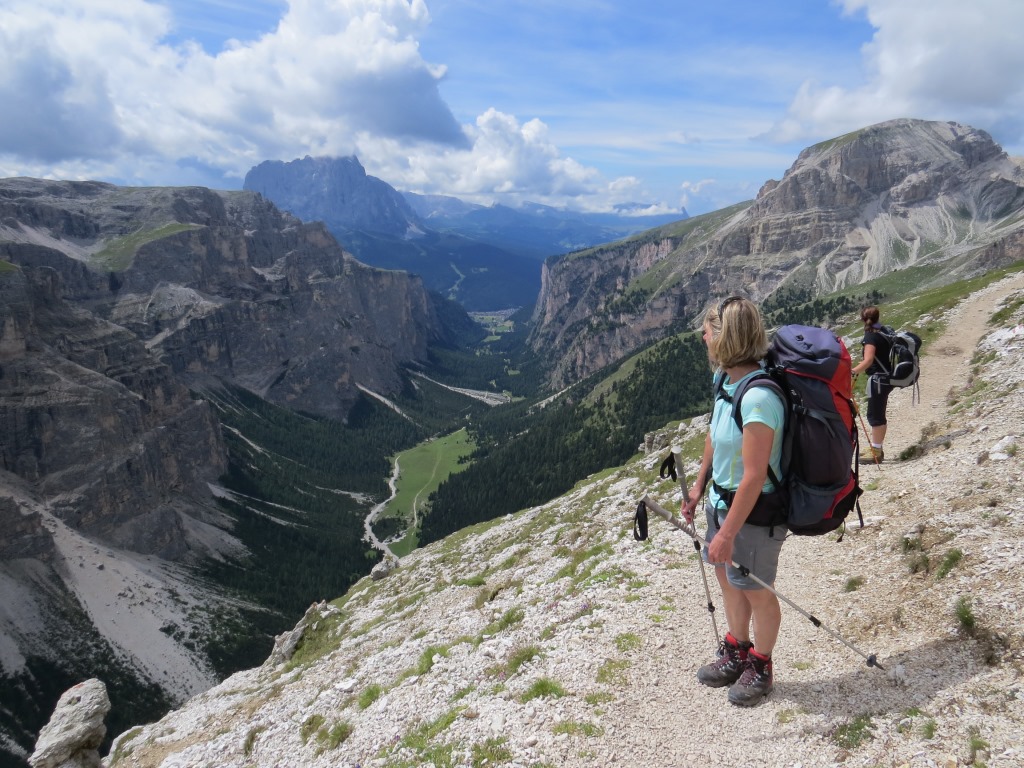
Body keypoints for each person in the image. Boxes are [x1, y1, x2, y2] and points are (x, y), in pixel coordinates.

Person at [682, 296, 787, 707]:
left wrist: (726, 533)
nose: (703, 338)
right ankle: (737, 650)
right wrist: (698, 486)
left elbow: (755, 475)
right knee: (728, 581)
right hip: (720, 501)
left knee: (756, 590)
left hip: (754, 514)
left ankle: (761, 664)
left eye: (707, 332)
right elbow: (715, 433)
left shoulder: (759, 398)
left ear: (725, 337)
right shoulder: (725, 381)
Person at [851, 306, 893, 463]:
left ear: (863, 319)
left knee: (875, 415)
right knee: (878, 412)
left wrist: (852, 372)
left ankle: (876, 451)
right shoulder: (884, 331)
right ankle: (877, 448)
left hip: (878, 379)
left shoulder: (870, 336)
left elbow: (868, 360)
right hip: (887, 377)